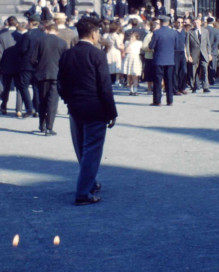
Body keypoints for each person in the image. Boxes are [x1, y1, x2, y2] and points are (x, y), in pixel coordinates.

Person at [58, 17, 118, 206]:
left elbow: (61, 84)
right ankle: (83, 192)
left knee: (81, 148)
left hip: (75, 108)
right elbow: (105, 86)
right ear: (93, 34)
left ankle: (89, 182)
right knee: (92, 150)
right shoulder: (97, 54)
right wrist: (111, 112)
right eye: (98, 32)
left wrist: (69, 101)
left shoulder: (67, 55)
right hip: (95, 107)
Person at [30, 22, 67, 135]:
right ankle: (49, 127)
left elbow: (32, 59)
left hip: (42, 75)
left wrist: (38, 66)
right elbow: (65, 61)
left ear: (47, 30)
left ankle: (42, 124)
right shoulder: (62, 42)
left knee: (42, 100)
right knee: (52, 102)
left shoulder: (40, 41)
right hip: (56, 75)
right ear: (56, 31)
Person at [149, 15, 178, 106]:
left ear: (161, 22)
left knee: (158, 81)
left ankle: (157, 101)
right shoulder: (174, 33)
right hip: (170, 60)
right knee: (169, 81)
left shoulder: (157, 32)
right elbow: (176, 46)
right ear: (168, 22)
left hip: (159, 59)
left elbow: (151, 46)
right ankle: (170, 100)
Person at [185, 17, 212, 93]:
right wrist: (188, 55)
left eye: (198, 22)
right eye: (195, 22)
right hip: (194, 54)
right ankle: (194, 86)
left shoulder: (205, 31)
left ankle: (205, 87)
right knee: (193, 71)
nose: (196, 24)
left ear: (201, 23)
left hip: (204, 53)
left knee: (204, 70)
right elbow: (187, 45)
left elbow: (208, 43)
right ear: (193, 24)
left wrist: (209, 53)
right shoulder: (190, 32)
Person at [122, 31, 143, 96]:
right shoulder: (127, 42)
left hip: (135, 58)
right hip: (128, 58)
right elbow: (126, 51)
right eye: (131, 37)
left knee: (135, 75)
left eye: (133, 37)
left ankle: (135, 89)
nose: (131, 38)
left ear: (136, 37)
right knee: (129, 75)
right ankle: (130, 89)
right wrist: (130, 43)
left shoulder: (139, 43)